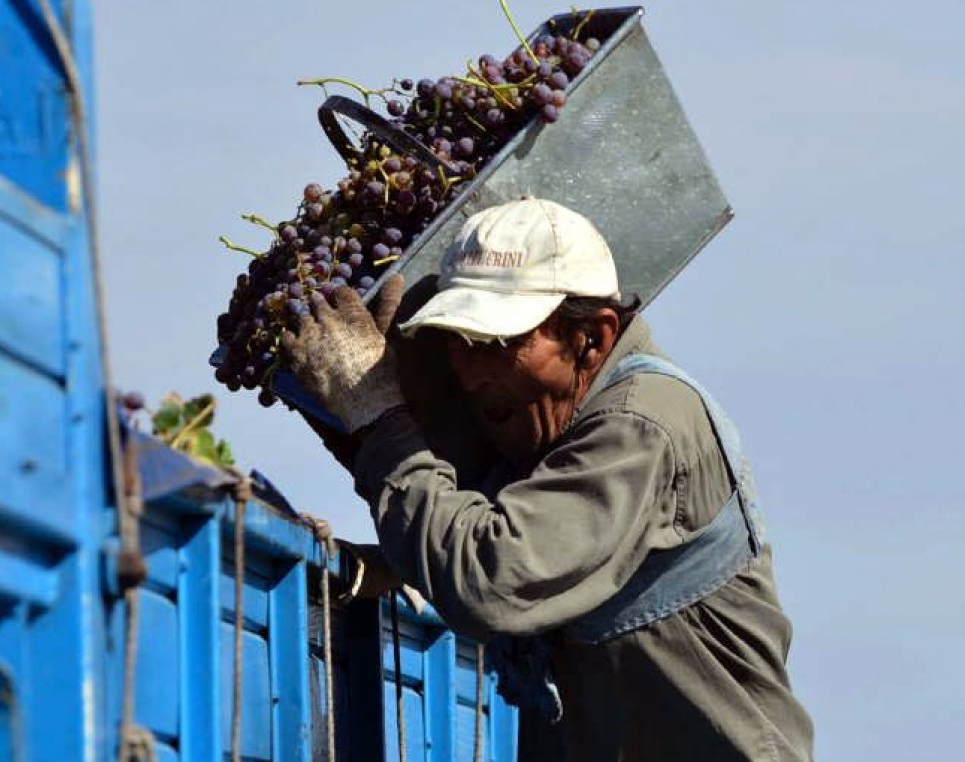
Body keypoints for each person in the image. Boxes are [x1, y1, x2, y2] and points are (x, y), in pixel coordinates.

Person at [278, 197, 814, 761]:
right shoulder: (541, 439)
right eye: (459, 343)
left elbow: (492, 579)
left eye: (502, 343)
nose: (475, 370)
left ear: (594, 337)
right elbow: (456, 517)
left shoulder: (640, 426)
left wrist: (382, 418)